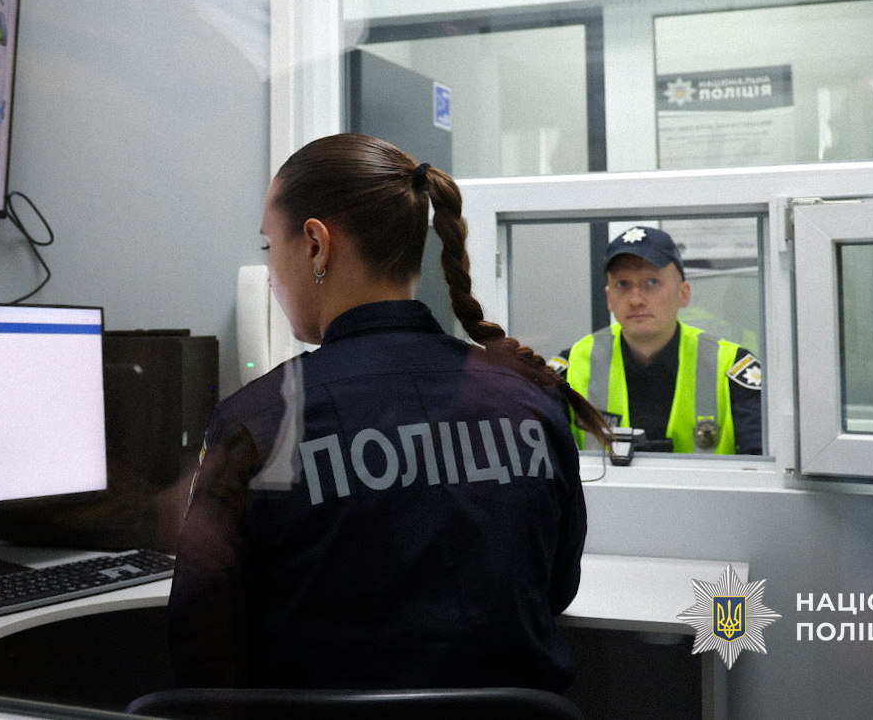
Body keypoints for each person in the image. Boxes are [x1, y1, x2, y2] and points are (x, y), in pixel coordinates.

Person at [168, 133, 609, 692]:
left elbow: (202, 645)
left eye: (268, 247)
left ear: (315, 245)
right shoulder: (529, 397)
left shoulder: (256, 421)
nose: (271, 271)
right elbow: (556, 589)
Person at [561, 226, 762, 455]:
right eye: (623, 284)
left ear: (683, 294)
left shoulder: (730, 366)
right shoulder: (572, 366)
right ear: (609, 298)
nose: (636, 300)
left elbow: (762, 464)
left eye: (652, 282)